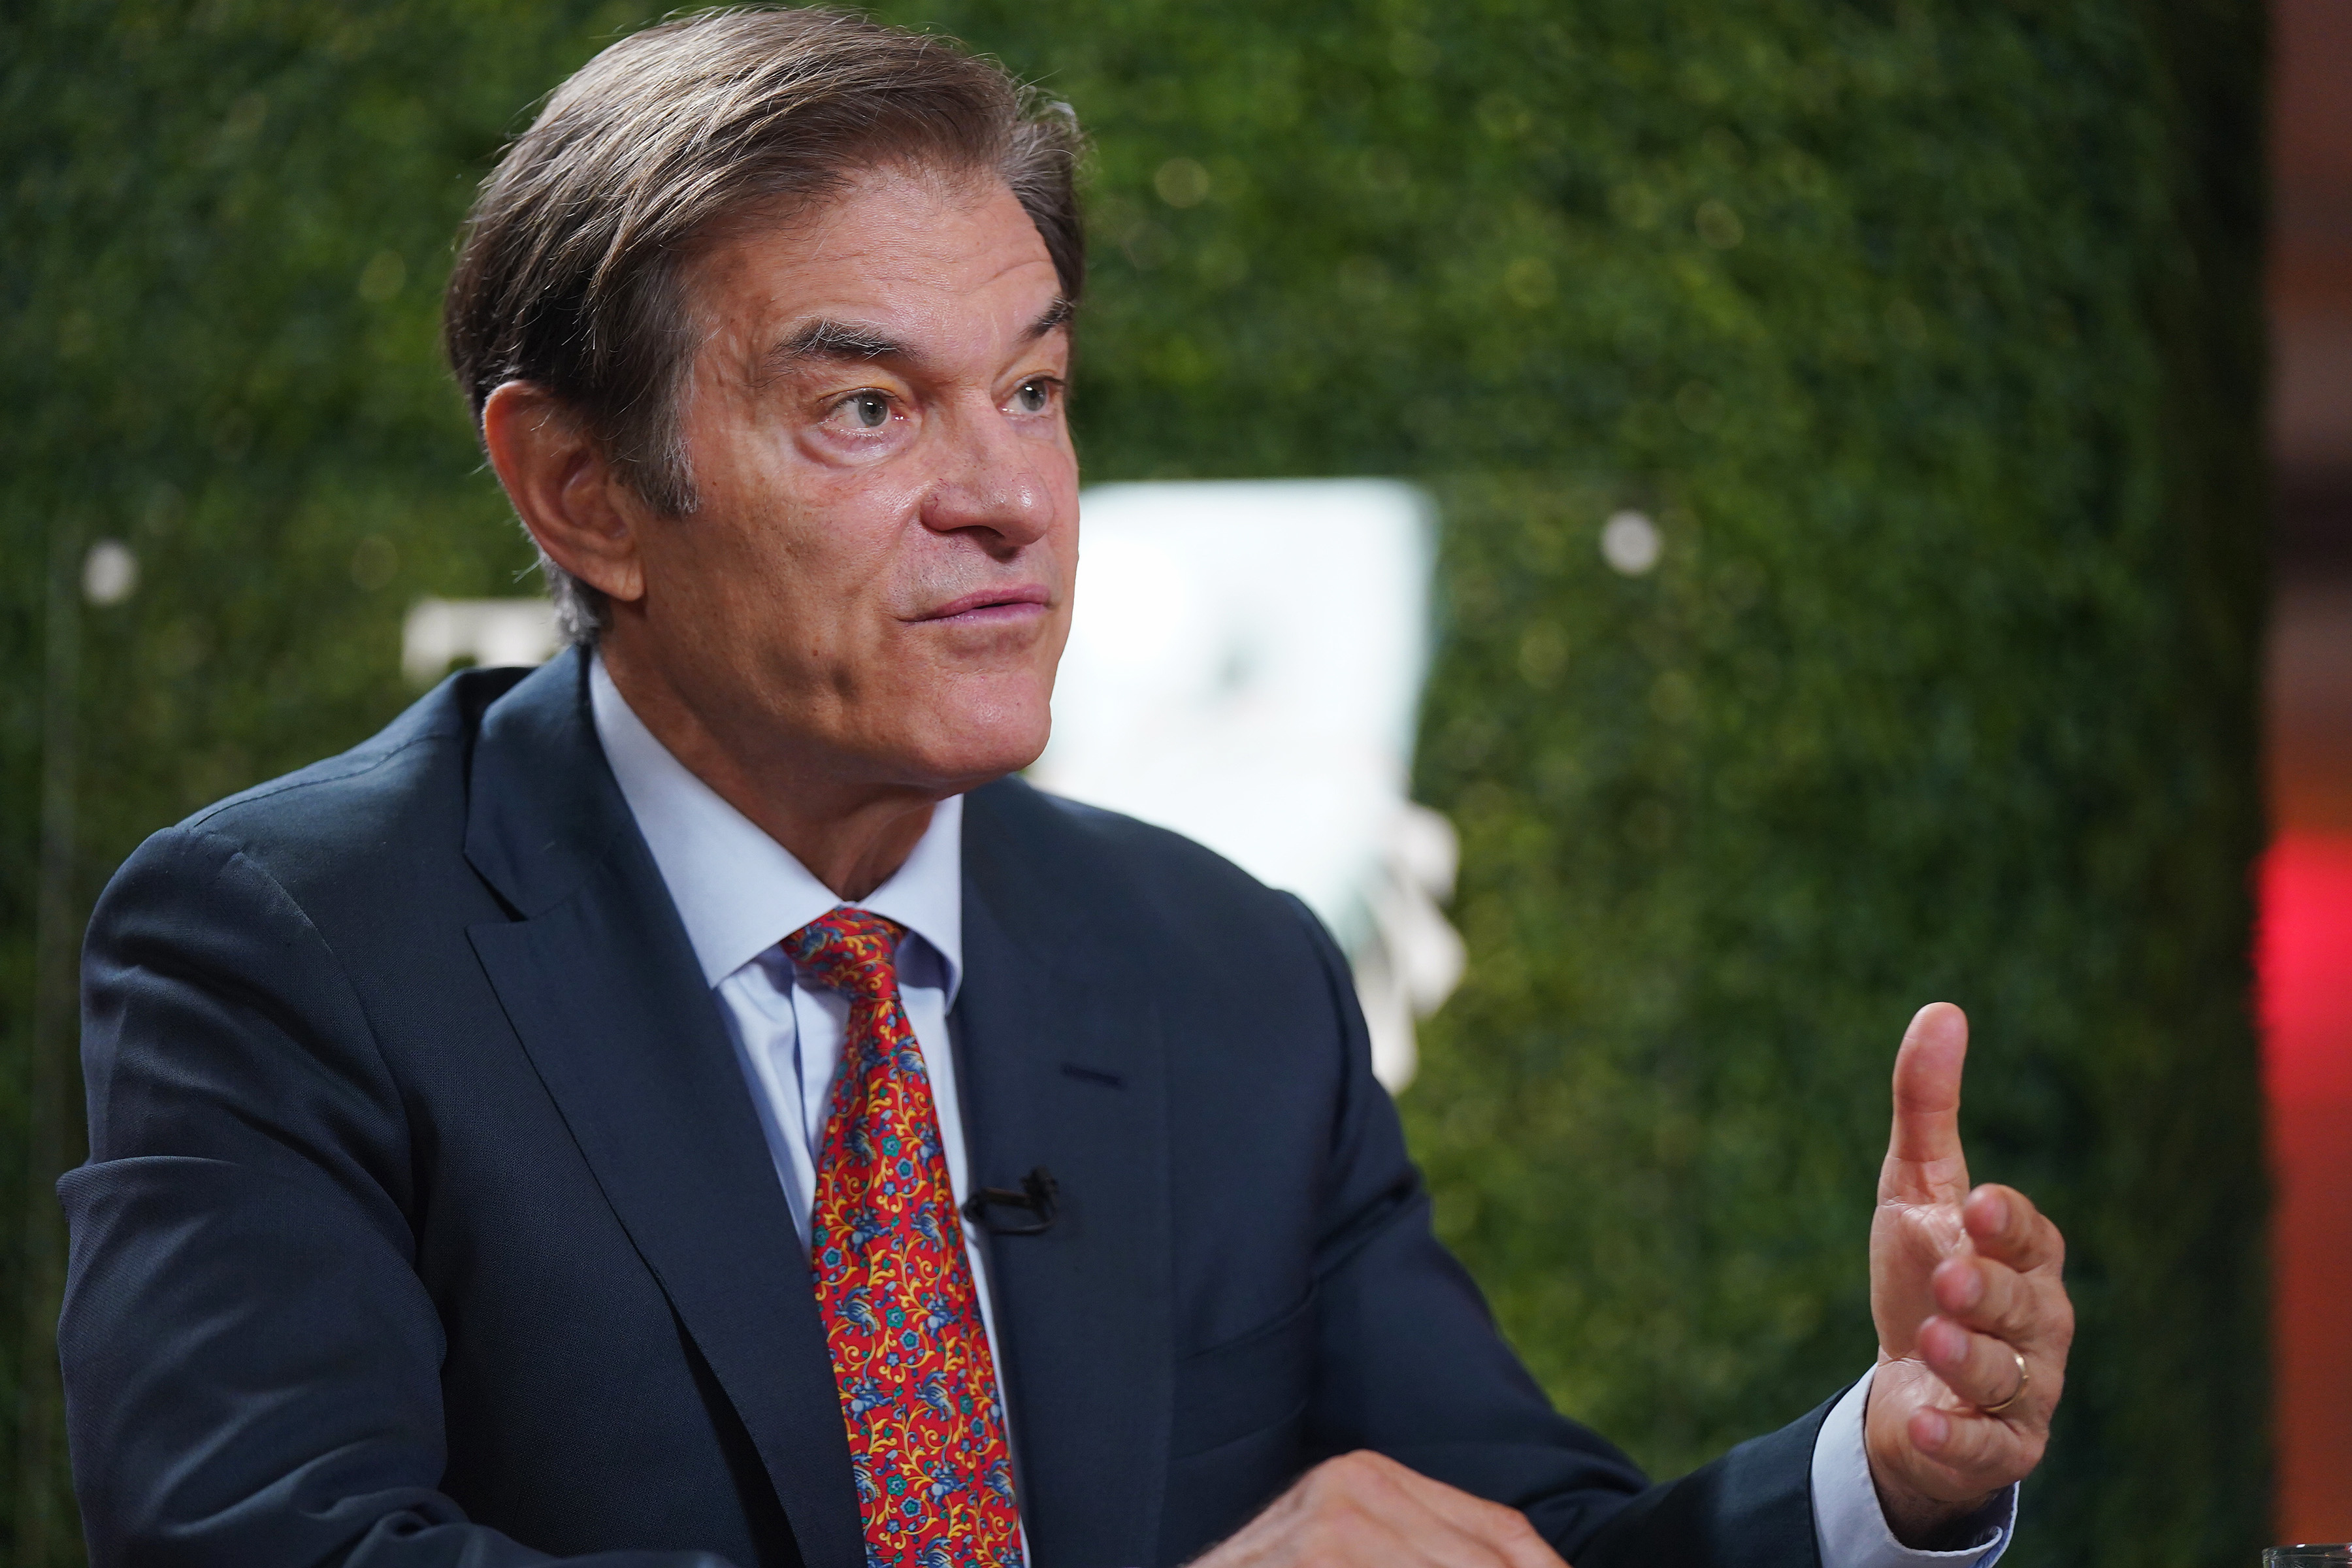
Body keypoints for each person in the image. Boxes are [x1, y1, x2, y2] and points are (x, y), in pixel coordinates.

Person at [57, 11, 2074, 1568]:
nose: (1009, 497)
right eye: (867, 408)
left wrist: (1875, 1477)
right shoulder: (295, 945)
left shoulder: (1223, 973)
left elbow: (1502, 1539)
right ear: (581, 492)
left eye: (1033, 390)